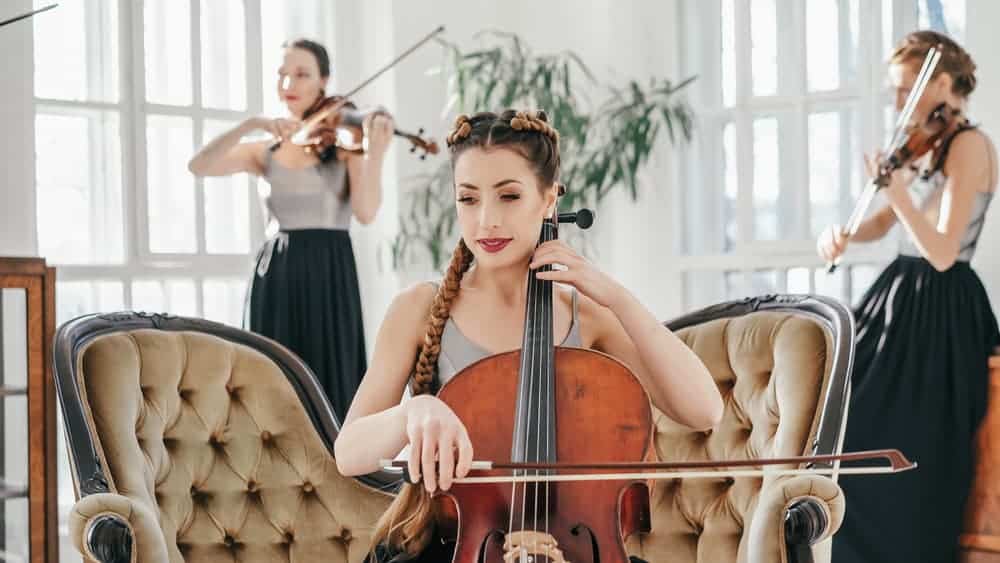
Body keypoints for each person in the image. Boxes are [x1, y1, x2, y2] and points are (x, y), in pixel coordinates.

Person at [334, 109, 724, 562]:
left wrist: (617, 297)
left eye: (509, 196)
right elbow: (350, 452)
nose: (486, 221)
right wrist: (415, 411)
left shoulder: (587, 314)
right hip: (459, 550)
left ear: (549, 201)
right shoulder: (419, 309)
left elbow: (704, 410)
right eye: (469, 199)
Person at [817, 30, 1000, 563]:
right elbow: (884, 224)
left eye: (906, 89)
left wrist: (896, 191)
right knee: (846, 426)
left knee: (907, 451)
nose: (899, 103)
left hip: (941, 312)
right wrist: (845, 235)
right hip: (901, 296)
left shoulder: (968, 145)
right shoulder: (927, 143)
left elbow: (943, 250)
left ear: (942, 82)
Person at [188, 38, 394, 422]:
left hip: (330, 270)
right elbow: (199, 166)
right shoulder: (264, 149)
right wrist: (251, 125)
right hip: (277, 272)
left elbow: (365, 212)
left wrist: (375, 153)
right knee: (272, 381)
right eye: (283, 75)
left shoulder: (345, 142)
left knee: (330, 378)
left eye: (302, 74)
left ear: (324, 81)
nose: (289, 84)